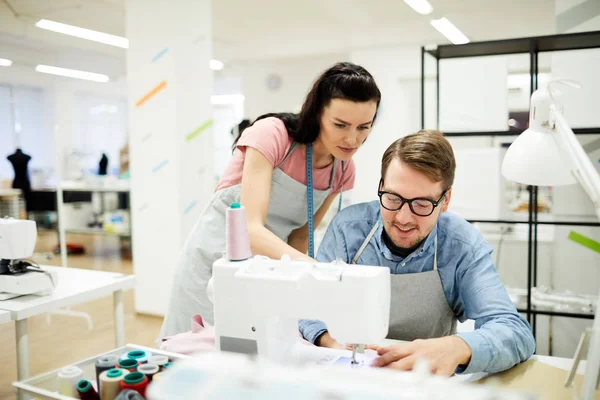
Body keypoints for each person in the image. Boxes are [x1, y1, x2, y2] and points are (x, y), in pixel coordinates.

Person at [159, 62, 382, 339]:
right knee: (194, 350)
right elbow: (249, 229)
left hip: (267, 268)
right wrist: (318, 272)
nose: (353, 139)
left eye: (364, 127)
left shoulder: (343, 169)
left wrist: (302, 287)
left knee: (253, 358)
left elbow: (300, 236)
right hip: (215, 264)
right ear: (317, 114)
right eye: (340, 125)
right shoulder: (273, 135)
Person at [299, 130, 535, 375]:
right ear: (381, 187)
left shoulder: (462, 247)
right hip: (351, 372)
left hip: (424, 384)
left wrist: (457, 347)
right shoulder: (348, 230)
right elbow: (307, 304)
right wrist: (331, 342)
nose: (403, 218)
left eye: (421, 204)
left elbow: (514, 331)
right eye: (392, 198)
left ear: (445, 200)